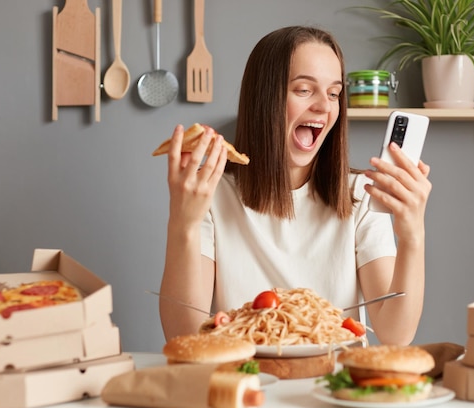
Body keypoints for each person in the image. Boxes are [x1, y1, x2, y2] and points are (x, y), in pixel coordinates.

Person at [158, 26, 431, 346]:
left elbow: (395, 335)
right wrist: (183, 223)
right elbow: (186, 337)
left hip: (337, 389)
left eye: (333, 93)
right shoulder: (212, 196)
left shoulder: (359, 194)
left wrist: (413, 233)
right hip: (250, 386)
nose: (324, 107)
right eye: (304, 90)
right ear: (264, 98)